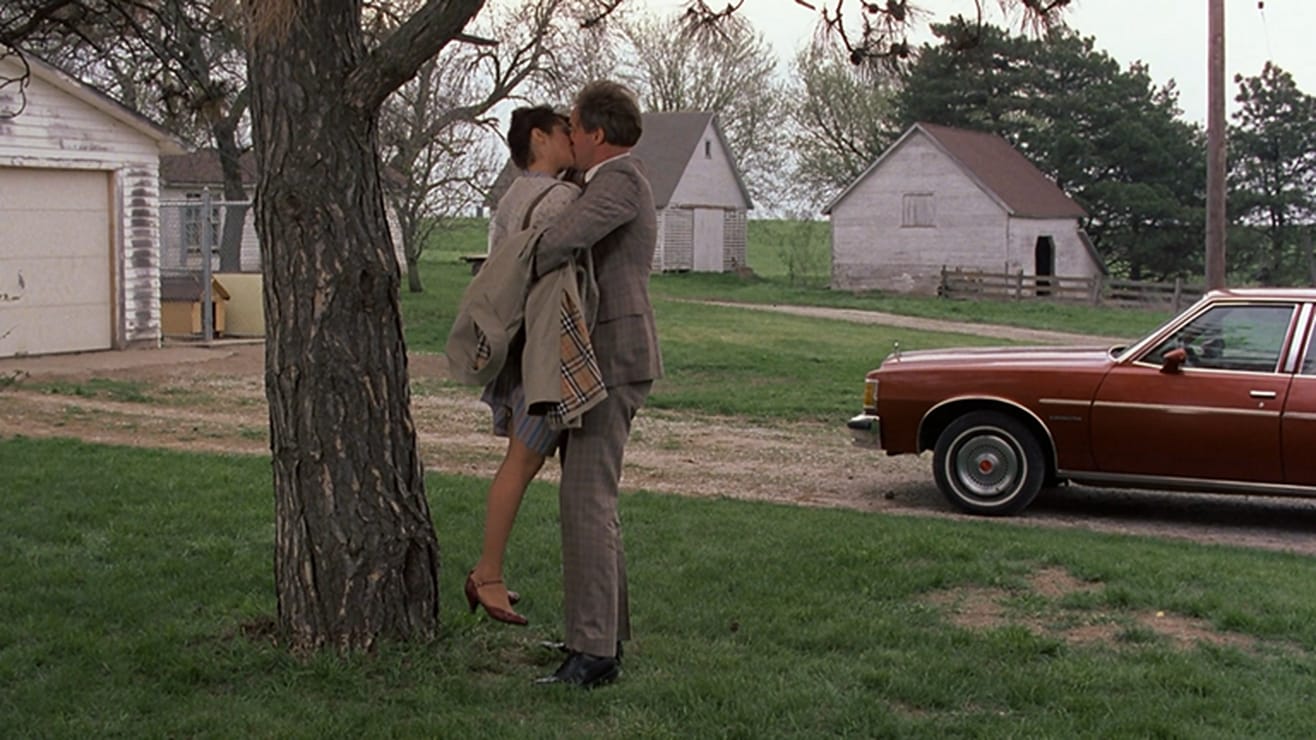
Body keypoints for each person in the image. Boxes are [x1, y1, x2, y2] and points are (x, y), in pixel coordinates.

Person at [532, 81, 662, 688]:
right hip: (608, 356)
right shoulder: (614, 179)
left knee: (585, 500)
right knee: (591, 499)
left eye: (575, 129)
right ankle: (601, 639)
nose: (572, 140)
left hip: (613, 356)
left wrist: (518, 250)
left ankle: (593, 654)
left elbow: (561, 240)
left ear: (598, 134)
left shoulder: (619, 180)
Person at [464, 105, 580, 626]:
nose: (572, 139)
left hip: (511, 344)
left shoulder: (511, 198)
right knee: (522, 462)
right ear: (539, 137)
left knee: (520, 460)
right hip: (541, 349)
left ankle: (489, 573)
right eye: (564, 131)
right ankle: (487, 573)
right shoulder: (558, 198)